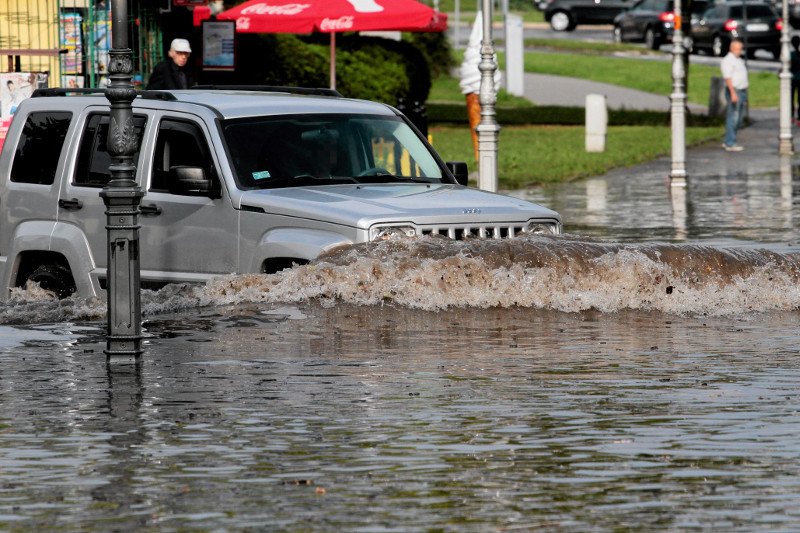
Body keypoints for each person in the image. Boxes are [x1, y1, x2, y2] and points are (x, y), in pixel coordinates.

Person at [720, 38, 748, 152]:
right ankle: (730, 142)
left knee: (739, 118)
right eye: (737, 49)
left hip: (742, 90)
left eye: (740, 49)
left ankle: (730, 139)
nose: (739, 51)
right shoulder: (728, 60)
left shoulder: (738, 60)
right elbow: (727, 77)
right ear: (732, 49)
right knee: (733, 117)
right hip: (735, 90)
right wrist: (732, 93)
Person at [791, 36, 800, 125]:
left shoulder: (791, 54)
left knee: (791, 98)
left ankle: (791, 116)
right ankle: (799, 118)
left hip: (792, 79)